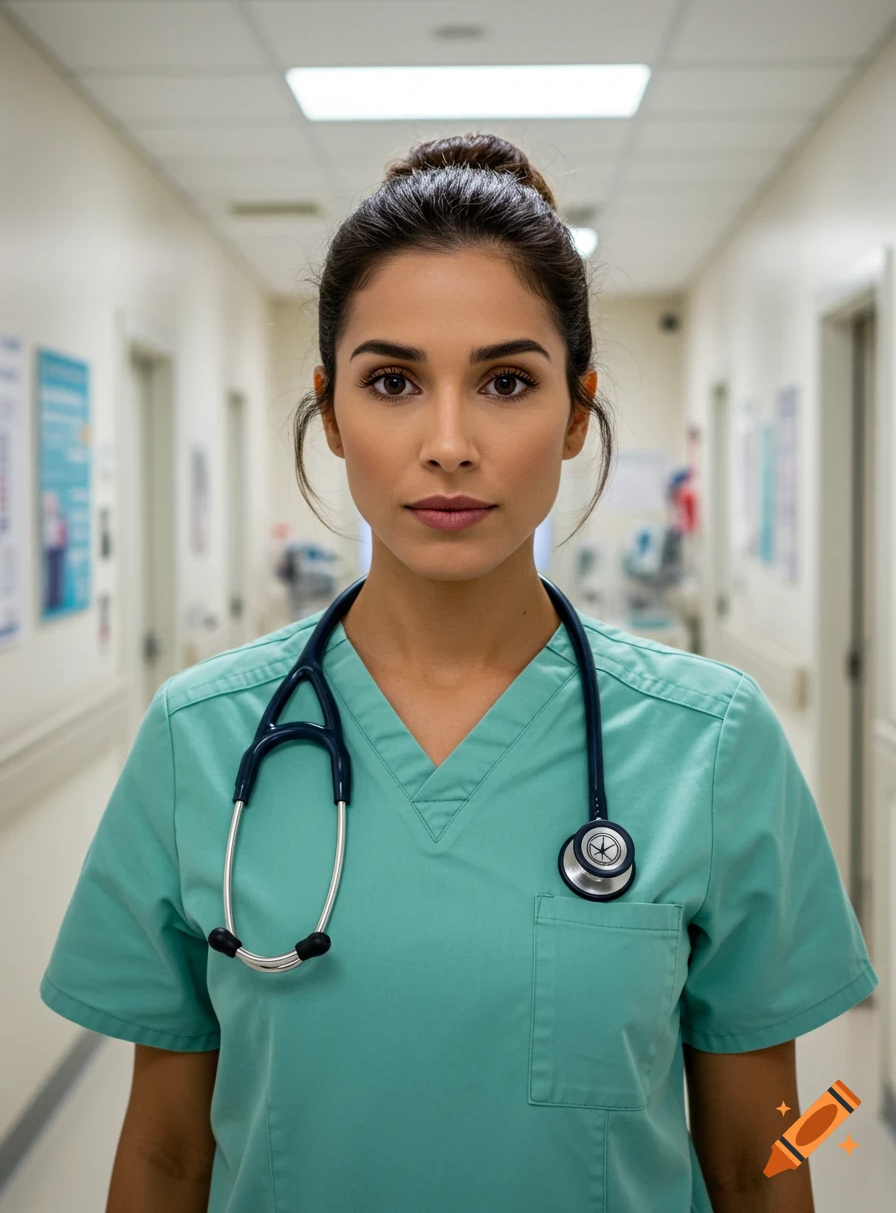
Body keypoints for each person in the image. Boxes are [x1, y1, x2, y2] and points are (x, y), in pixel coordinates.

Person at [40, 134, 877, 1213]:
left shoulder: (710, 742)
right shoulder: (198, 736)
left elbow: (760, 1159)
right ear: (331, 411)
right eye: (391, 380)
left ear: (574, 412)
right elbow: (162, 1158)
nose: (447, 442)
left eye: (504, 380)